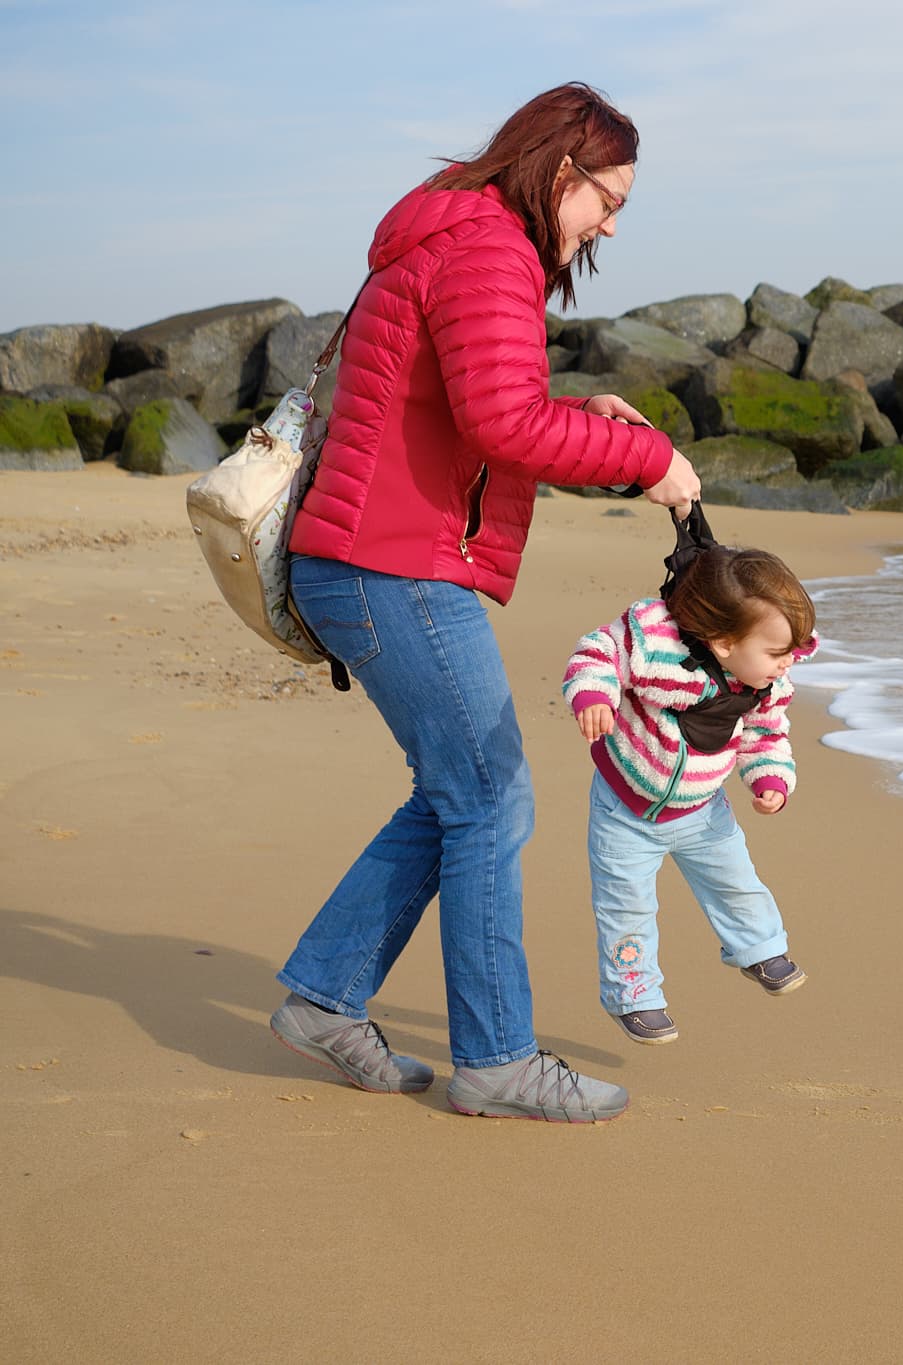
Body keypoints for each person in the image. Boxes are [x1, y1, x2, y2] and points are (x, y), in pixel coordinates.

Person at [267, 83, 700, 1123]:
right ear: (562, 170)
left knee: (455, 791)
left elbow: (469, 406)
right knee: (489, 798)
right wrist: (649, 460)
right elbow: (505, 428)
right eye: (608, 201)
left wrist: (578, 410)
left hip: (371, 558)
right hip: (392, 566)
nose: (607, 225)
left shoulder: (452, 236)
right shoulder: (491, 251)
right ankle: (498, 1058)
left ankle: (324, 999)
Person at [562, 541, 817, 1045]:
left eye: (794, 652)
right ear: (724, 642)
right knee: (626, 908)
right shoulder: (659, 651)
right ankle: (634, 995)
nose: (787, 665)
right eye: (776, 652)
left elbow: (766, 735)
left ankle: (760, 950)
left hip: (703, 809)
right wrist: (594, 694)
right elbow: (600, 652)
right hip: (626, 809)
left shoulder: (767, 683)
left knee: (736, 882)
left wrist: (769, 780)